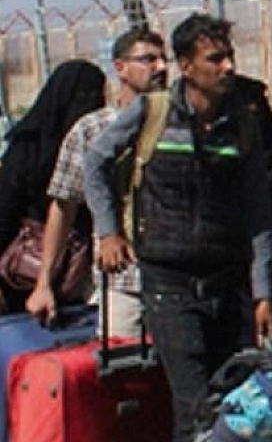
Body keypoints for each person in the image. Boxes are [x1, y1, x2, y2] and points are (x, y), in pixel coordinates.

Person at [84, 13, 272, 442]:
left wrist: (263, 292)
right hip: (168, 282)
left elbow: (258, 213)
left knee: (230, 404)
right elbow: (95, 163)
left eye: (229, 56)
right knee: (194, 409)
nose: (228, 67)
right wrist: (108, 231)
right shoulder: (152, 113)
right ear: (186, 66)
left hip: (225, 283)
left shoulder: (241, 127)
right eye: (215, 58)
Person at [26, 28, 168, 334]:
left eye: (163, 59)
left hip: (178, 280)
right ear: (120, 68)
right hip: (123, 280)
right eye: (148, 59)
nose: (160, 68)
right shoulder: (92, 130)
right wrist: (44, 283)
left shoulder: (181, 124)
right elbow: (64, 206)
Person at [0, 59, 107, 310]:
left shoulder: (97, 142)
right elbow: (5, 211)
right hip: (22, 273)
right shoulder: (28, 147)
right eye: (84, 95)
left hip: (79, 270)